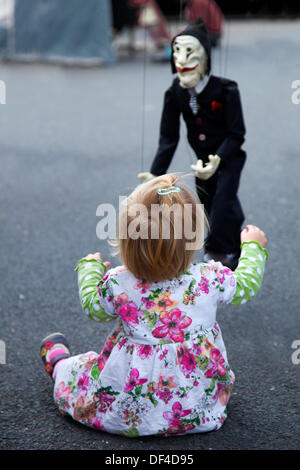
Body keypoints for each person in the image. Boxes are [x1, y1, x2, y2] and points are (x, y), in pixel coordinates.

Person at [40, 174, 267, 437]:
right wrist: (252, 247)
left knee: (80, 375)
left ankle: (59, 365)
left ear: (127, 242)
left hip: (131, 404)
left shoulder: (119, 283)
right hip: (197, 409)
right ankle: (192, 412)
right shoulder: (209, 279)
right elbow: (246, 286)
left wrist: (89, 269)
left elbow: (94, 308)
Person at [138, 17, 246, 270]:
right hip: (200, 161)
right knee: (212, 206)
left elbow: (237, 133)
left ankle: (218, 255)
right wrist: (155, 173)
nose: (182, 59)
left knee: (222, 205)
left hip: (227, 157)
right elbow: (169, 138)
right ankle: (239, 243)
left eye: (189, 52)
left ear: (205, 57)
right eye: (177, 52)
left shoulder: (226, 90)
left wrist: (217, 159)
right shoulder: (175, 92)